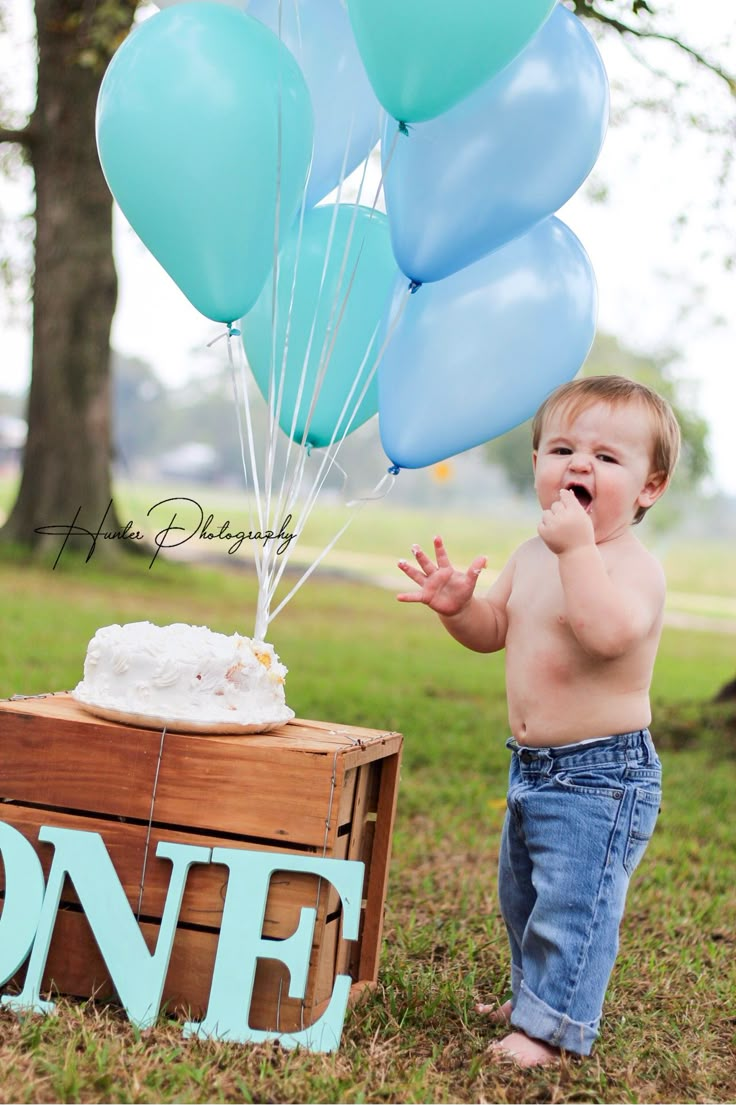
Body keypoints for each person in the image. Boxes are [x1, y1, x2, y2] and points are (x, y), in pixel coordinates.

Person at [397, 375, 681, 1067]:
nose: (580, 464)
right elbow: (495, 629)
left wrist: (578, 551)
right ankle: (534, 994)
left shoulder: (631, 568)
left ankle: (553, 1029)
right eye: (562, 448)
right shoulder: (530, 556)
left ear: (650, 487)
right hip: (532, 769)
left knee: (573, 904)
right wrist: (458, 607)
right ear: (537, 466)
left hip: (602, 775)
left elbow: (606, 634)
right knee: (524, 896)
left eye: (608, 458)